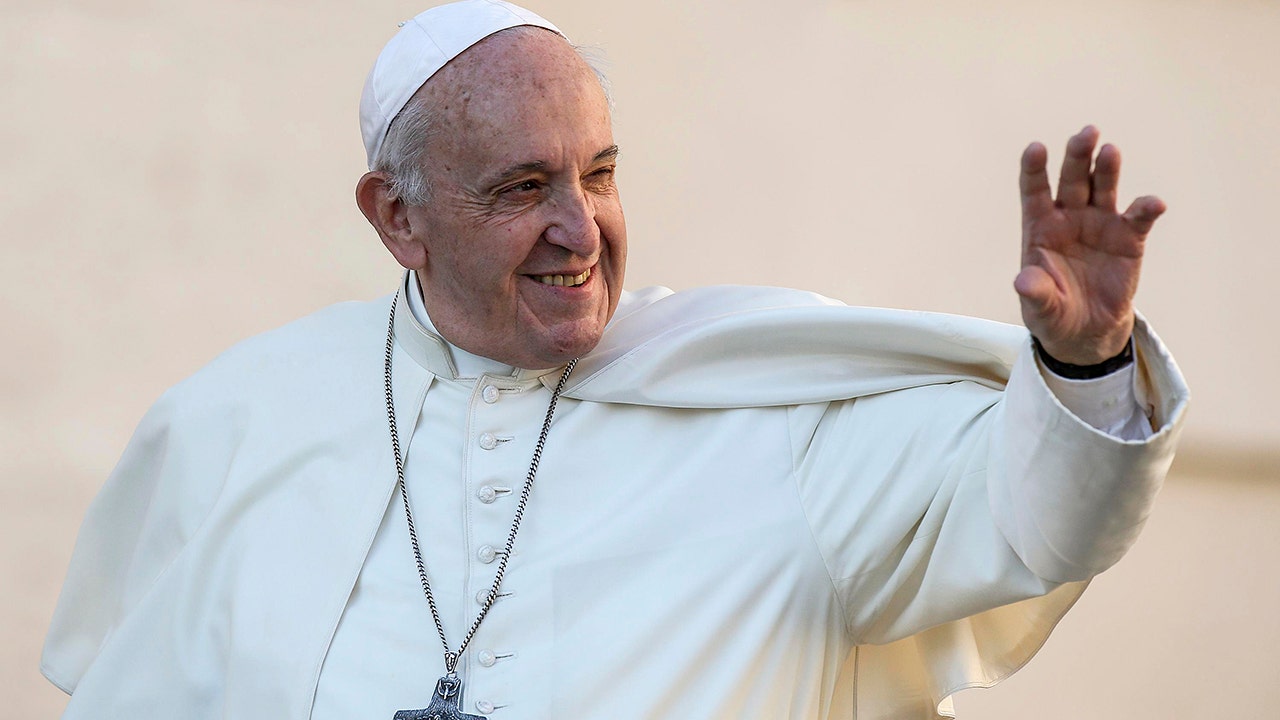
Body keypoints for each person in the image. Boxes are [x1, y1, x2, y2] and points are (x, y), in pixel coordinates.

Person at [42, 2, 1188, 719]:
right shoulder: (239, 424)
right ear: (397, 218)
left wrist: (1081, 365)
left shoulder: (772, 405)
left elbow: (1035, 522)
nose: (581, 232)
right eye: (523, 188)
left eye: (597, 173)